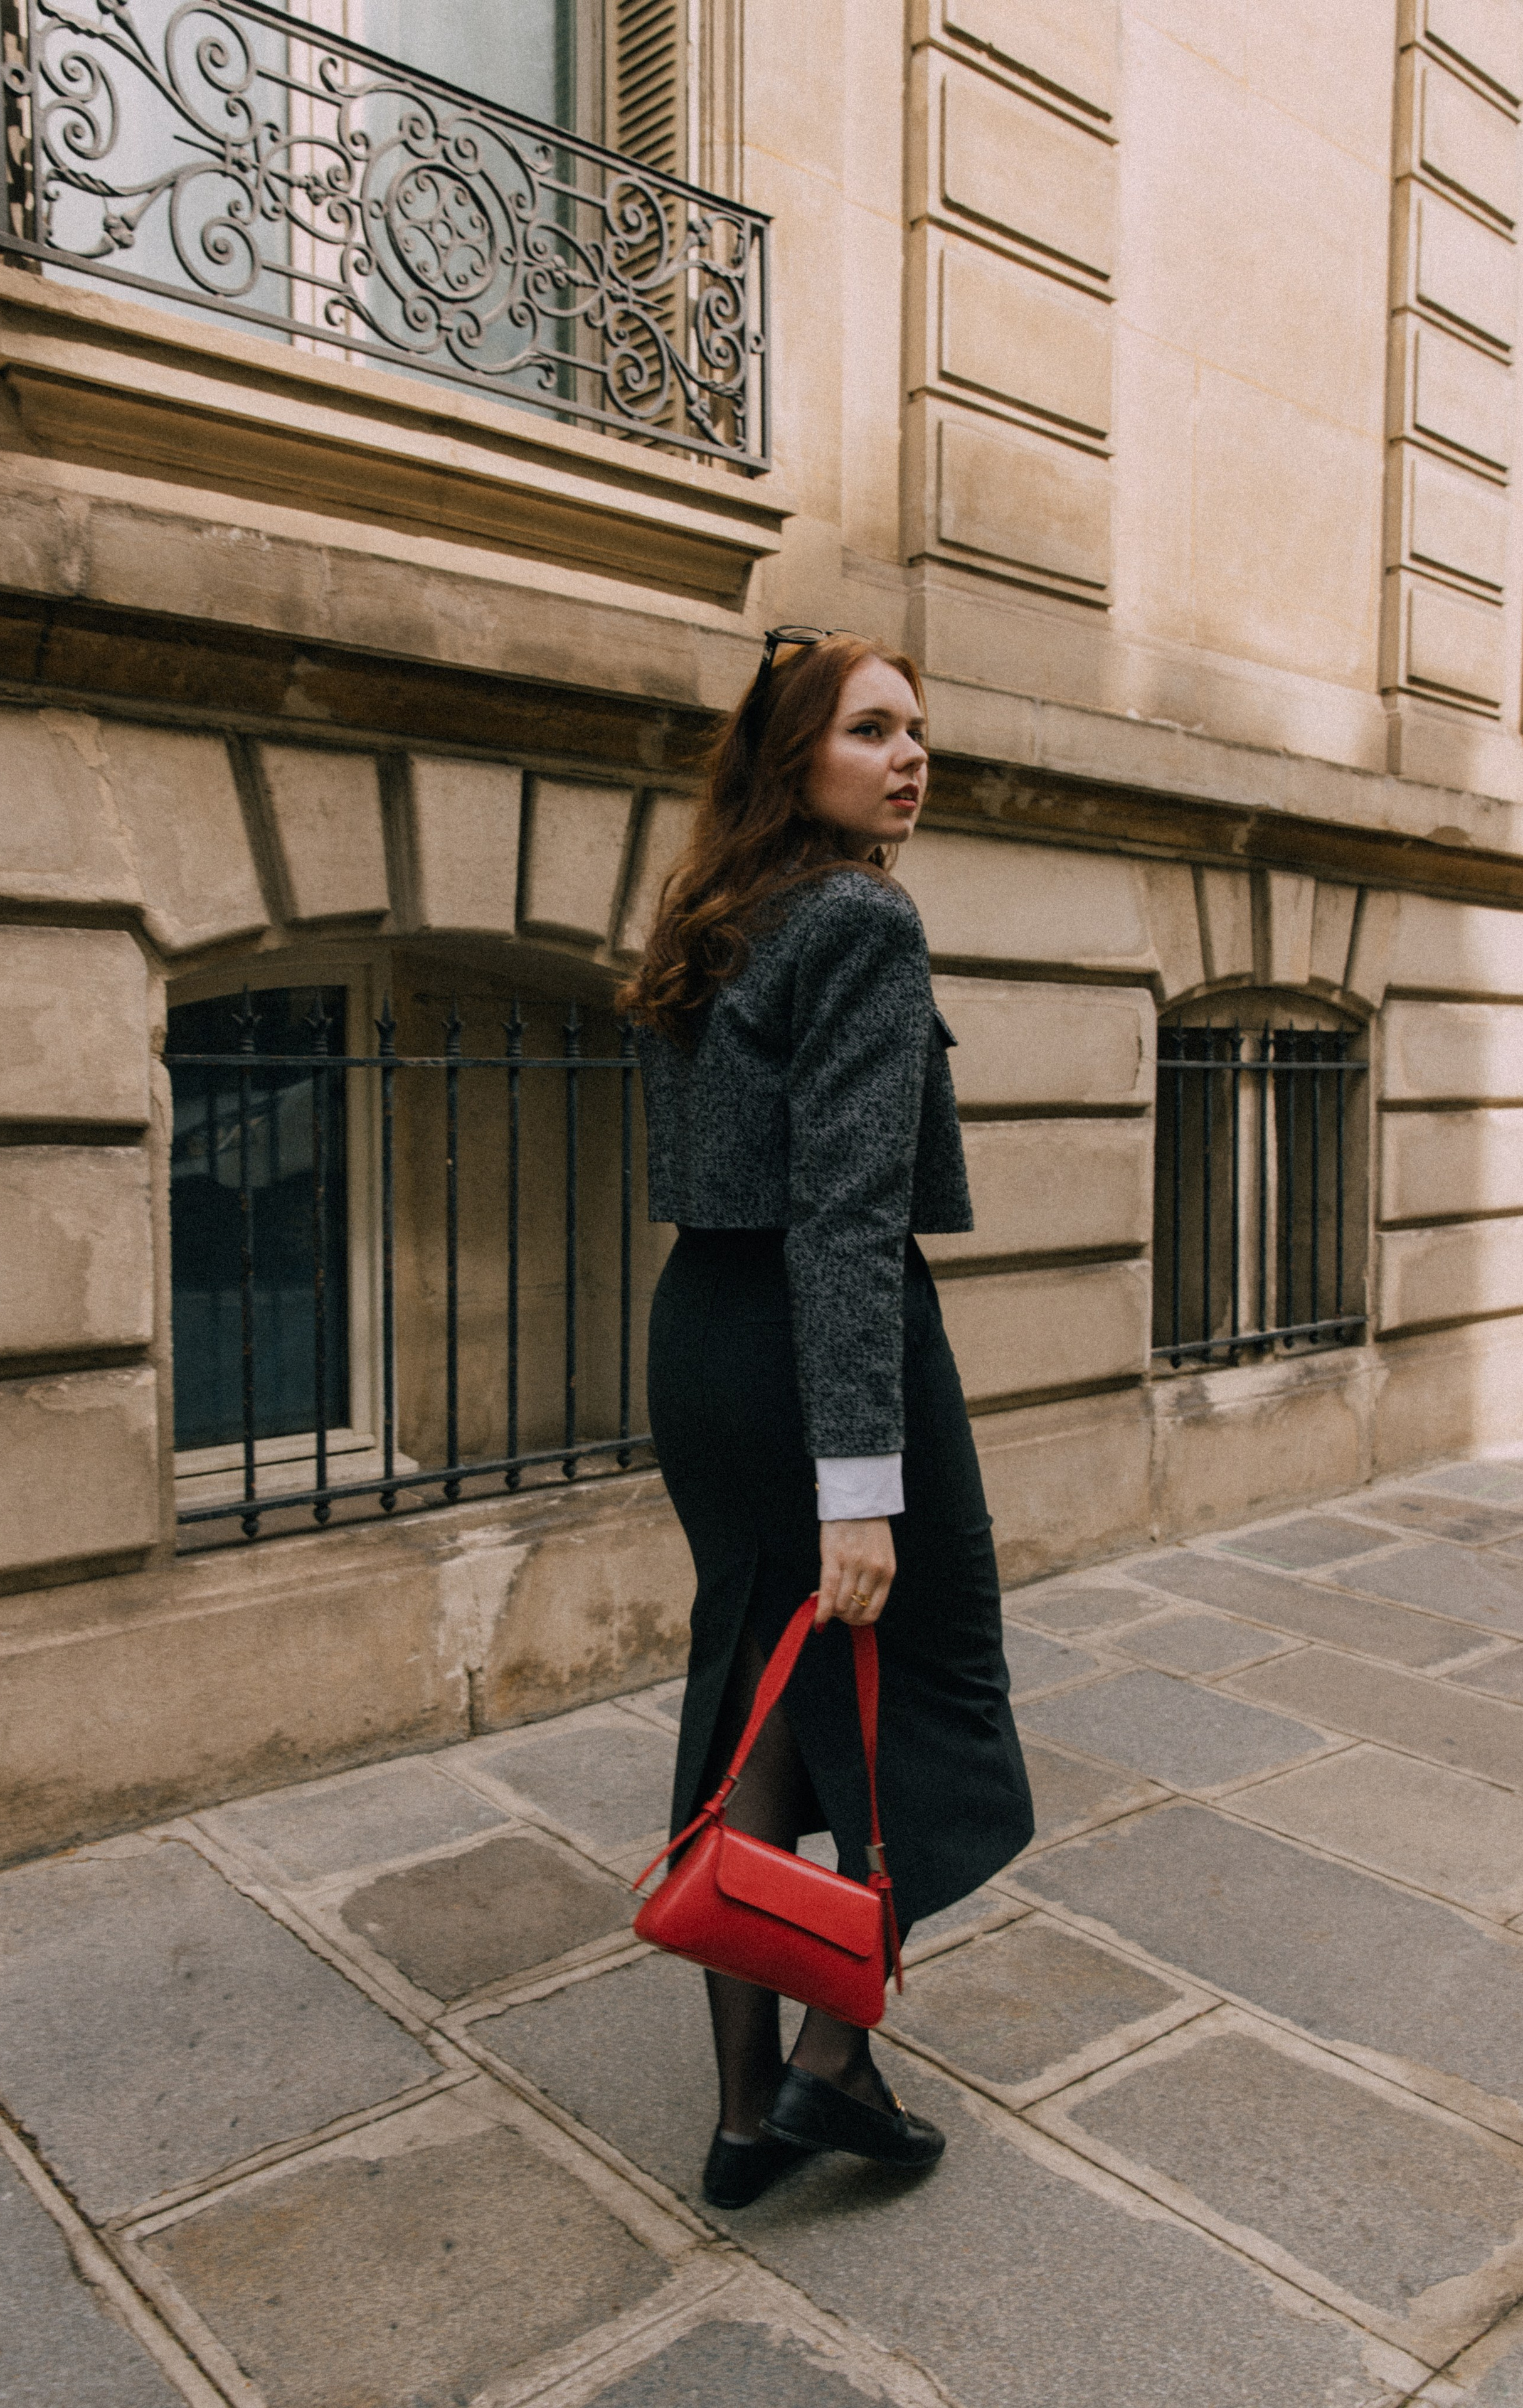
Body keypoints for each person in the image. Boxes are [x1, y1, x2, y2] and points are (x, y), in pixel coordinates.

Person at [618, 627, 1034, 2211]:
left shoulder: (710, 908)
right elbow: (848, 1212)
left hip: (706, 1335)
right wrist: (858, 1480)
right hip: (822, 1351)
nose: (908, 756)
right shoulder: (861, 914)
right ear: (792, 753)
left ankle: (750, 2114)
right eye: (869, 729)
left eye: (916, 729)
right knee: (912, 1685)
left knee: (758, 1686)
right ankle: (828, 2057)